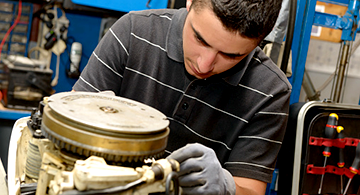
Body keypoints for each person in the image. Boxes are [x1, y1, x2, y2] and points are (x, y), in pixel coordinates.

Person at [72, 0, 291, 194]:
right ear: (190, 2)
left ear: (259, 42)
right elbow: (67, 125)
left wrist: (227, 188)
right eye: (200, 39)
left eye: (231, 55)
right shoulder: (132, 33)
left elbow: (251, 190)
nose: (204, 65)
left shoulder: (271, 92)